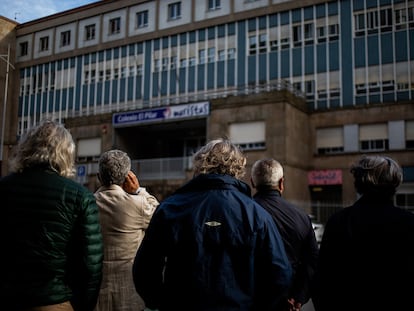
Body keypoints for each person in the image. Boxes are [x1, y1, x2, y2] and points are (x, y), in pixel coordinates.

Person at [132, 138, 292, 311]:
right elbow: (280, 275)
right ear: (238, 169)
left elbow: (144, 269)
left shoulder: (171, 208)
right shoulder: (257, 215)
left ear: (200, 165)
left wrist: (162, 303)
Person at [0, 119, 103, 311]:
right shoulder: (80, 196)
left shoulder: (4, 187)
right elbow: (90, 266)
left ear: (25, 149)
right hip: (54, 300)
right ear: (67, 154)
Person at [312, 155, 414, 311]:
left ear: (358, 183)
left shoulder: (338, 221)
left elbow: (322, 279)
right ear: (395, 184)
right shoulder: (408, 223)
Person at [94, 149, 159, 311]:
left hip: (95, 293)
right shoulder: (139, 205)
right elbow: (161, 217)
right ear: (128, 177)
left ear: (99, 177)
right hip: (129, 293)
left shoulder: (87, 203)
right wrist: (139, 191)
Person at [251, 158, 319, 311]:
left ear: (253, 182)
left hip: (251, 299)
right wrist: (298, 296)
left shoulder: (243, 212)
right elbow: (312, 261)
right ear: (281, 183)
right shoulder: (301, 217)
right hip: (287, 301)